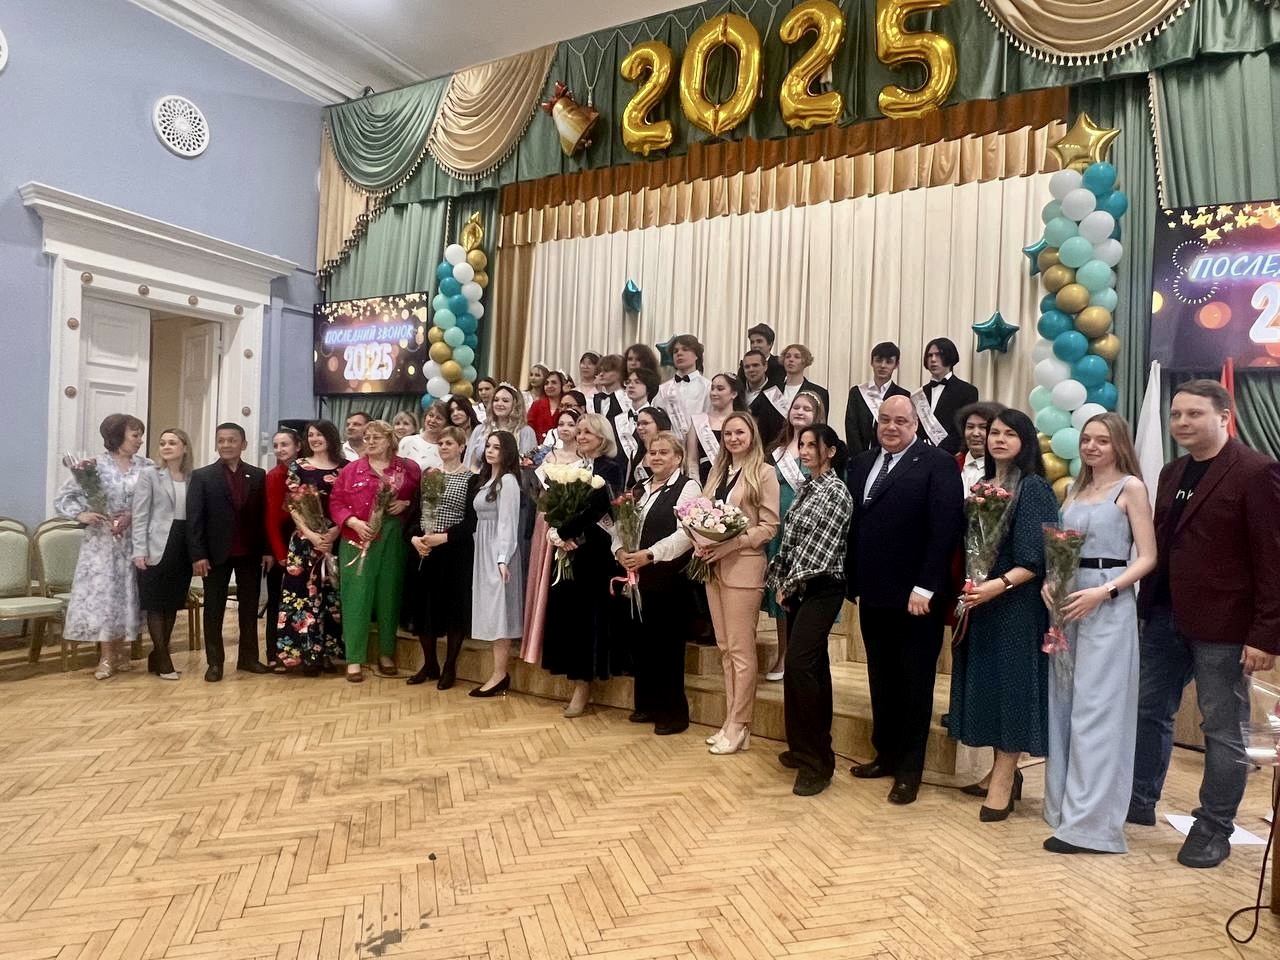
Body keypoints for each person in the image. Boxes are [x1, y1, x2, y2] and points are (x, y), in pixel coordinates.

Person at [1130, 380, 1280, 868]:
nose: (1182, 423)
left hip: (1225, 627)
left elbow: (1273, 558)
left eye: (1194, 414)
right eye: (1176, 414)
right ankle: (1138, 800)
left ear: (1224, 417)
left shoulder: (1256, 471)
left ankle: (1213, 827)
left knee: (1222, 728)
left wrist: (1265, 634)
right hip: (1163, 616)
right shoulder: (1172, 471)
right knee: (1148, 711)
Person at [1042, 413, 1156, 854]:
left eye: (1102, 441)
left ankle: (1091, 827)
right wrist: (1052, 581)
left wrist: (1105, 592)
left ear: (1118, 444)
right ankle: (1064, 810)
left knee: (1097, 711)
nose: (1091, 447)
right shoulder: (1074, 489)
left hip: (1108, 604)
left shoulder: (1131, 488)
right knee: (1065, 706)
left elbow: (1147, 557)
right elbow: (1063, 547)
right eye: (1087, 439)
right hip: (1068, 602)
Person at [845, 396, 965, 804]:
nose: (891, 427)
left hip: (917, 596)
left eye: (900, 421)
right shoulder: (862, 463)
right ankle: (886, 755)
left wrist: (926, 586)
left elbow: (945, 529)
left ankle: (910, 770)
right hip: (873, 591)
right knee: (881, 677)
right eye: (884, 420)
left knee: (915, 683)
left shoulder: (938, 464)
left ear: (916, 424)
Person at [948, 409, 1059, 821]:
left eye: (1009, 434)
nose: (998, 439)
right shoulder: (982, 485)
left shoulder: (1033, 488)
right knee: (991, 688)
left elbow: (1036, 560)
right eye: (994, 432)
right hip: (983, 601)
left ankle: (1004, 778)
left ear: (1024, 441)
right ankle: (1003, 772)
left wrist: (996, 586)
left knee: (1013, 689)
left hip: (1016, 603)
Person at [765, 424, 853, 796]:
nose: (803, 450)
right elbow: (789, 541)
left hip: (822, 586)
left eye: (811, 445)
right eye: (801, 444)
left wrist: (787, 584)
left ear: (829, 451)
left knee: (801, 664)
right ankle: (801, 748)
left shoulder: (836, 491)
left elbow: (820, 551)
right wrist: (779, 578)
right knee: (810, 667)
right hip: (799, 586)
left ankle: (819, 762)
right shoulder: (807, 487)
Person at [699, 413, 780, 755]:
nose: (733, 438)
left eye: (740, 432)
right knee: (725, 648)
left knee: (741, 651)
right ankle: (731, 720)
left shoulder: (764, 472)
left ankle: (740, 723)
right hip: (713, 566)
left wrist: (732, 544)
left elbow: (769, 526)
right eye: (728, 433)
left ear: (752, 435)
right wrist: (700, 538)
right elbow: (701, 514)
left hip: (744, 566)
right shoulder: (716, 471)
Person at [612, 431, 700, 735]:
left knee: (667, 648)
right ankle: (647, 704)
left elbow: (685, 534)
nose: (657, 457)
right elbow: (618, 527)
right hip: (638, 579)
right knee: (642, 644)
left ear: (678, 458)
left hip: (668, 580)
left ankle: (673, 713)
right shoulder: (639, 488)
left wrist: (650, 555)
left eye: (664, 452)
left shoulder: (688, 488)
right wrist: (620, 551)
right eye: (653, 452)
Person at [541, 414, 625, 715]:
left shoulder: (611, 468)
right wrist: (557, 529)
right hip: (572, 551)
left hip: (596, 554)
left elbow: (598, 508)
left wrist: (565, 531)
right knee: (571, 617)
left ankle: (584, 685)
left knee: (588, 618)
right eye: (579, 432)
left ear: (602, 437)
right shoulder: (574, 467)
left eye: (587, 432)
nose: (581, 436)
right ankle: (574, 676)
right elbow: (557, 503)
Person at [55, 414, 150, 679]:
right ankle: (106, 657)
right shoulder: (93, 466)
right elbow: (64, 498)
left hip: (134, 540)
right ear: (118, 436)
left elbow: (155, 501)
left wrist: (132, 516)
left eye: (141, 435)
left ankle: (122, 651)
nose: (140, 441)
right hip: (102, 543)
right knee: (107, 597)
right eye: (135, 435)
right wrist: (82, 514)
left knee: (129, 596)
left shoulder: (147, 466)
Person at [329, 420, 419, 682]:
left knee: (389, 594)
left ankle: (386, 653)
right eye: (367, 437)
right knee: (356, 596)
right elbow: (335, 502)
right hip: (357, 539)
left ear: (390, 440)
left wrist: (406, 503)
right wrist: (352, 522)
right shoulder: (351, 470)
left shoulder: (408, 469)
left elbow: (420, 499)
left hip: (393, 537)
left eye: (376, 437)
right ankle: (354, 658)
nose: (369, 441)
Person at [187, 422, 273, 682]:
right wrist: (198, 555)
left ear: (243, 444)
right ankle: (215, 663)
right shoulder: (202, 476)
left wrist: (267, 550)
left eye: (232, 440)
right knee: (214, 610)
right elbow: (194, 519)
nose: (226, 445)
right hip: (214, 556)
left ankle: (248, 658)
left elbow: (264, 516)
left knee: (249, 608)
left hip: (250, 553)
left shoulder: (257, 475)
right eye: (221, 440)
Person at [762, 391, 826, 680]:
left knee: (802, 595)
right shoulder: (775, 450)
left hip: (807, 532)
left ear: (817, 415)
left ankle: (802, 655)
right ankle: (783, 653)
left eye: (806, 409)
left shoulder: (822, 450)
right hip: (778, 531)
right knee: (780, 595)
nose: (799, 412)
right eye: (795, 407)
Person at [406, 425, 475, 689]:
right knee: (425, 609)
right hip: (426, 550)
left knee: (453, 610)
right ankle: (429, 663)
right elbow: (415, 513)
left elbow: (471, 521)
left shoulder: (471, 479)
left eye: (449, 443)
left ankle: (449, 666)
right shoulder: (430, 475)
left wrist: (444, 537)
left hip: (454, 552)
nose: (444, 447)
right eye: (441, 443)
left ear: (461, 447)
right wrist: (416, 539)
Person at [275, 421, 345, 675]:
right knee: (301, 599)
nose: (315, 439)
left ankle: (325, 653)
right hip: (305, 543)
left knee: (330, 598)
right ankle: (305, 654)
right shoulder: (299, 466)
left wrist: (334, 532)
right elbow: (293, 506)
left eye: (319, 434)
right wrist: (313, 535)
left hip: (333, 541)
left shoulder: (345, 468)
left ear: (331, 437)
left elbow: (347, 505)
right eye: (311, 435)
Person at [521, 410, 589, 668]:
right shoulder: (548, 456)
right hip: (546, 518)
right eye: (561, 424)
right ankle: (534, 639)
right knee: (541, 574)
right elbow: (539, 492)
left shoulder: (585, 460)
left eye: (571, 424)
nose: (565, 428)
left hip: (569, 522)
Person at [130, 427, 193, 680]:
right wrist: (139, 550)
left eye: (172, 443)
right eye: (163, 443)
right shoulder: (150, 475)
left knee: (172, 602)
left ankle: (157, 655)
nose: (166, 447)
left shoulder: (193, 477)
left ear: (184, 448)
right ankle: (164, 659)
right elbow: (140, 514)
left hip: (183, 544)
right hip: (156, 544)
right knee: (155, 603)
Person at [468, 431, 525, 697]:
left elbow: (508, 523)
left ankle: (500, 673)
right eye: (488, 446)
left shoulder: (508, 482)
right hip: (483, 548)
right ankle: (497, 672)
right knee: (490, 611)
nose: (490, 451)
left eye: (497, 447)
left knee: (500, 611)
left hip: (498, 550)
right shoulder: (487, 480)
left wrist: (502, 557)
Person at [264, 428, 300, 667]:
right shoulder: (274, 476)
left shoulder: (307, 471)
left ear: (298, 446)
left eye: (284, 444)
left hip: (306, 540)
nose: (279, 450)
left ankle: (301, 650)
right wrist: (279, 553)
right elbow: (271, 518)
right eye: (276, 445)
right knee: (277, 601)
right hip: (282, 543)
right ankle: (274, 652)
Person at [844, 342, 910, 456]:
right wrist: (860, 457)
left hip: (892, 455)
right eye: (878, 360)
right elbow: (851, 428)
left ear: (896, 365)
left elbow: (903, 429)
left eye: (889, 362)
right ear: (872, 362)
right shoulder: (857, 392)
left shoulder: (903, 395)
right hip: (860, 455)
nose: (883, 366)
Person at [914, 338, 978, 454]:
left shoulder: (968, 391)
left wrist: (940, 452)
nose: (933, 359)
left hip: (951, 455)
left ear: (950, 356)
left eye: (938, 355)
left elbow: (964, 427)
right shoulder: (920, 393)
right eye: (930, 355)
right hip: (920, 454)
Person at [687, 373, 744, 486]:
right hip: (704, 480)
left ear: (733, 394)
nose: (714, 393)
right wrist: (695, 485)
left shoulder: (742, 421)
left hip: (735, 479)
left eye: (720, 389)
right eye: (712, 388)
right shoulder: (698, 421)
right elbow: (692, 460)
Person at [465, 383, 537, 470]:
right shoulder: (481, 430)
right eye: (496, 400)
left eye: (505, 401)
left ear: (515, 404)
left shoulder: (525, 432)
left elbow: (527, 465)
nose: (499, 404)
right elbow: (470, 463)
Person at [654, 335, 710, 435]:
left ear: (696, 355)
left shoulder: (708, 387)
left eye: (685, 349)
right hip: (669, 442)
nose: (679, 353)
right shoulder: (663, 389)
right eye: (675, 351)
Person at [763, 344, 829, 423]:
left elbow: (821, 423)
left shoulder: (819, 392)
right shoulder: (772, 391)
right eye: (787, 357)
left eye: (797, 357)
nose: (791, 359)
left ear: (805, 361)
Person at [955, 402, 1006, 493]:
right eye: (970, 427)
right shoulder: (951, 464)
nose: (975, 433)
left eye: (983, 427)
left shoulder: (1006, 470)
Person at [741, 350, 785, 449]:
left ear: (765, 367)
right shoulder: (737, 392)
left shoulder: (776, 394)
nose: (751, 369)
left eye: (755, 365)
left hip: (765, 448)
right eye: (747, 367)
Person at [625, 406, 670, 488]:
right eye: (638, 424)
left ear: (659, 424)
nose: (639, 428)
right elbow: (629, 487)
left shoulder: (671, 453)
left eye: (645, 423)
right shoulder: (634, 455)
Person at [398, 402, 447, 471]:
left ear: (446, 423)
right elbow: (397, 471)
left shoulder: (447, 447)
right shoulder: (407, 441)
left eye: (438, 418)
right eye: (431, 415)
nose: (433, 420)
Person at [737, 323, 784, 388]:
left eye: (759, 341)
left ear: (770, 344)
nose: (755, 345)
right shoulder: (744, 366)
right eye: (752, 342)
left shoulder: (779, 365)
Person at [527, 369, 566, 440]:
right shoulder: (537, 405)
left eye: (554, 383)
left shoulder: (566, 405)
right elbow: (529, 427)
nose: (549, 386)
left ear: (562, 385)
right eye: (546, 383)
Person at [590, 354, 628, 420]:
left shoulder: (627, 398)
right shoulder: (594, 399)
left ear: (620, 373)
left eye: (606, 371)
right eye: (600, 371)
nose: (601, 374)